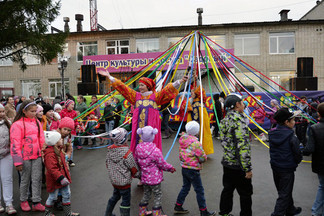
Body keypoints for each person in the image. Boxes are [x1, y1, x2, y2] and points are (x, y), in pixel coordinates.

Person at [99, 70, 188, 153]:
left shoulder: (155, 97)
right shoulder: (135, 96)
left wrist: (180, 81)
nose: (140, 87)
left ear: (148, 86)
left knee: (151, 149)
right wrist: (109, 76)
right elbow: (123, 88)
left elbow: (167, 90)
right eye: (139, 85)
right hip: (138, 126)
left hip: (151, 127)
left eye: (142, 85)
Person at [218, 93, 253, 216]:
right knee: (245, 194)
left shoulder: (224, 120)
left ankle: (224, 213)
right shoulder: (239, 121)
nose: (243, 105)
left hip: (227, 163)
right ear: (237, 104)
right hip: (238, 166)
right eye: (242, 103)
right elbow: (242, 146)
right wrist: (247, 169)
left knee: (227, 190)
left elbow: (223, 141)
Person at [10, 100, 46, 212]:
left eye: (35, 111)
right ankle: (23, 200)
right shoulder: (17, 125)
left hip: (37, 156)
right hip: (24, 157)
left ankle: (36, 201)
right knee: (25, 180)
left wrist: (43, 151)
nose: (34, 113)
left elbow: (41, 138)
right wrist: (17, 161)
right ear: (24, 111)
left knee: (37, 179)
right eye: (32, 111)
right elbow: (15, 143)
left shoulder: (37, 122)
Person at [174, 121, 216, 216]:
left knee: (185, 187)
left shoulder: (182, 140)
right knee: (199, 190)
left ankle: (178, 205)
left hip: (184, 167)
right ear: (196, 131)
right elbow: (202, 158)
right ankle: (203, 211)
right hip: (193, 169)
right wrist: (204, 157)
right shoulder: (196, 143)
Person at [269, 107, 303, 216]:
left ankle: (290, 209)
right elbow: (297, 153)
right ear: (286, 122)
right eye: (292, 120)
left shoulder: (272, 132)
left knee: (283, 190)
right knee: (284, 193)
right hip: (287, 169)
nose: (294, 122)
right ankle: (277, 213)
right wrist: (296, 162)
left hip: (275, 166)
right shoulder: (291, 136)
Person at [135, 126, 176, 216]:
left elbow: (136, 160)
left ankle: (142, 212)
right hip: (155, 179)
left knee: (146, 194)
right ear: (152, 136)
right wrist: (171, 168)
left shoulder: (138, 148)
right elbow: (162, 164)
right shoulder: (155, 151)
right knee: (157, 195)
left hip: (144, 178)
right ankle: (157, 214)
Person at [43, 131, 80, 216]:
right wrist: (60, 178)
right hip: (55, 179)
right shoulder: (49, 154)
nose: (61, 139)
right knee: (52, 197)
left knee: (67, 194)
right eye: (59, 138)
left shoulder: (59, 150)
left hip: (63, 178)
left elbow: (63, 163)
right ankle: (47, 213)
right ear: (55, 141)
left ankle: (68, 213)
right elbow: (52, 169)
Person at [105, 128, 140, 216]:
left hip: (114, 181)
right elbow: (133, 167)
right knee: (125, 201)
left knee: (115, 197)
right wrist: (138, 175)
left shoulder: (109, 151)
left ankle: (108, 214)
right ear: (124, 139)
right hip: (125, 184)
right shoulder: (127, 153)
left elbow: (107, 164)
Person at [303, 102, 324, 216]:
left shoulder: (314, 128)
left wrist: (298, 150)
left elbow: (309, 149)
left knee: (322, 186)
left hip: (321, 164)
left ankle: (316, 212)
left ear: (318, 113)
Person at [0, 104, 17, 214]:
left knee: (7, 178)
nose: (2, 114)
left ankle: (9, 203)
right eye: (0, 112)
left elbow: (13, 137)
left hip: (6, 154)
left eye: (3, 112)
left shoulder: (8, 123)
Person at [187, 87, 214, 155]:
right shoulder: (191, 100)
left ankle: (201, 150)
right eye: (191, 92)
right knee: (194, 135)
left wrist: (197, 79)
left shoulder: (201, 100)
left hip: (202, 120)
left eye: (193, 91)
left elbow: (201, 89)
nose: (192, 93)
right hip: (194, 119)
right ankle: (194, 151)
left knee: (202, 134)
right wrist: (192, 98)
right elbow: (187, 106)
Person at [60, 100, 79, 166]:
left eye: (73, 105)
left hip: (72, 132)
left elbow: (76, 121)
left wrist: (77, 125)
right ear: (67, 105)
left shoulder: (74, 113)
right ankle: (62, 159)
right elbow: (60, 121)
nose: (73, 106)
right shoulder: (62, 112)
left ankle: (70, 159)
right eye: (72, 104)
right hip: (63, 132)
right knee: (63, 145)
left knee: (70, 145)